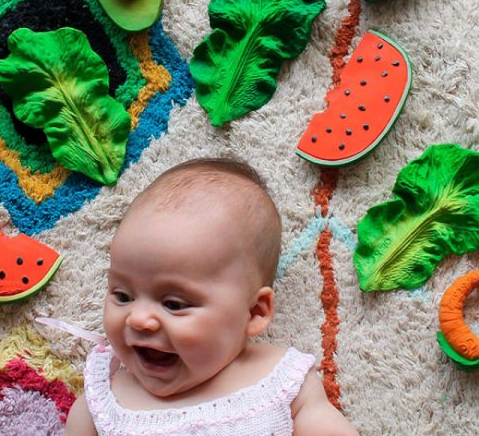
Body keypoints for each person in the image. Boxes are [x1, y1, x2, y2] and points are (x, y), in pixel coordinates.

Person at [65, 157, 359, 435]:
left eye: (173, 304)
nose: (139, 318)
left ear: (254, 312)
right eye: (123, 296)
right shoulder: (102, 405)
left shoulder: (281, 384)